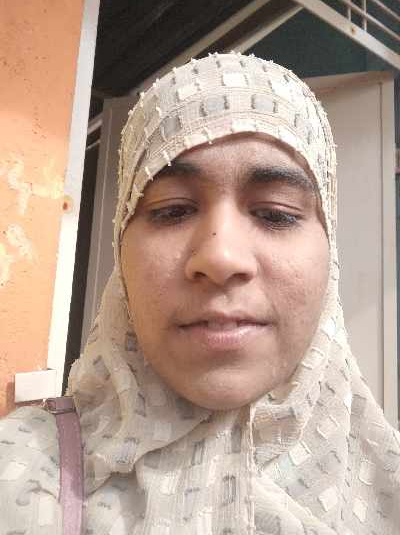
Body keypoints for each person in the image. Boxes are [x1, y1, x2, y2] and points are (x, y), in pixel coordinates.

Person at [1, 53, 399, 534]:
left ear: (329, 254)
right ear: (121, 252)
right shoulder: (21, 477)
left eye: (276, 213)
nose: (220, 256)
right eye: (172, 210)